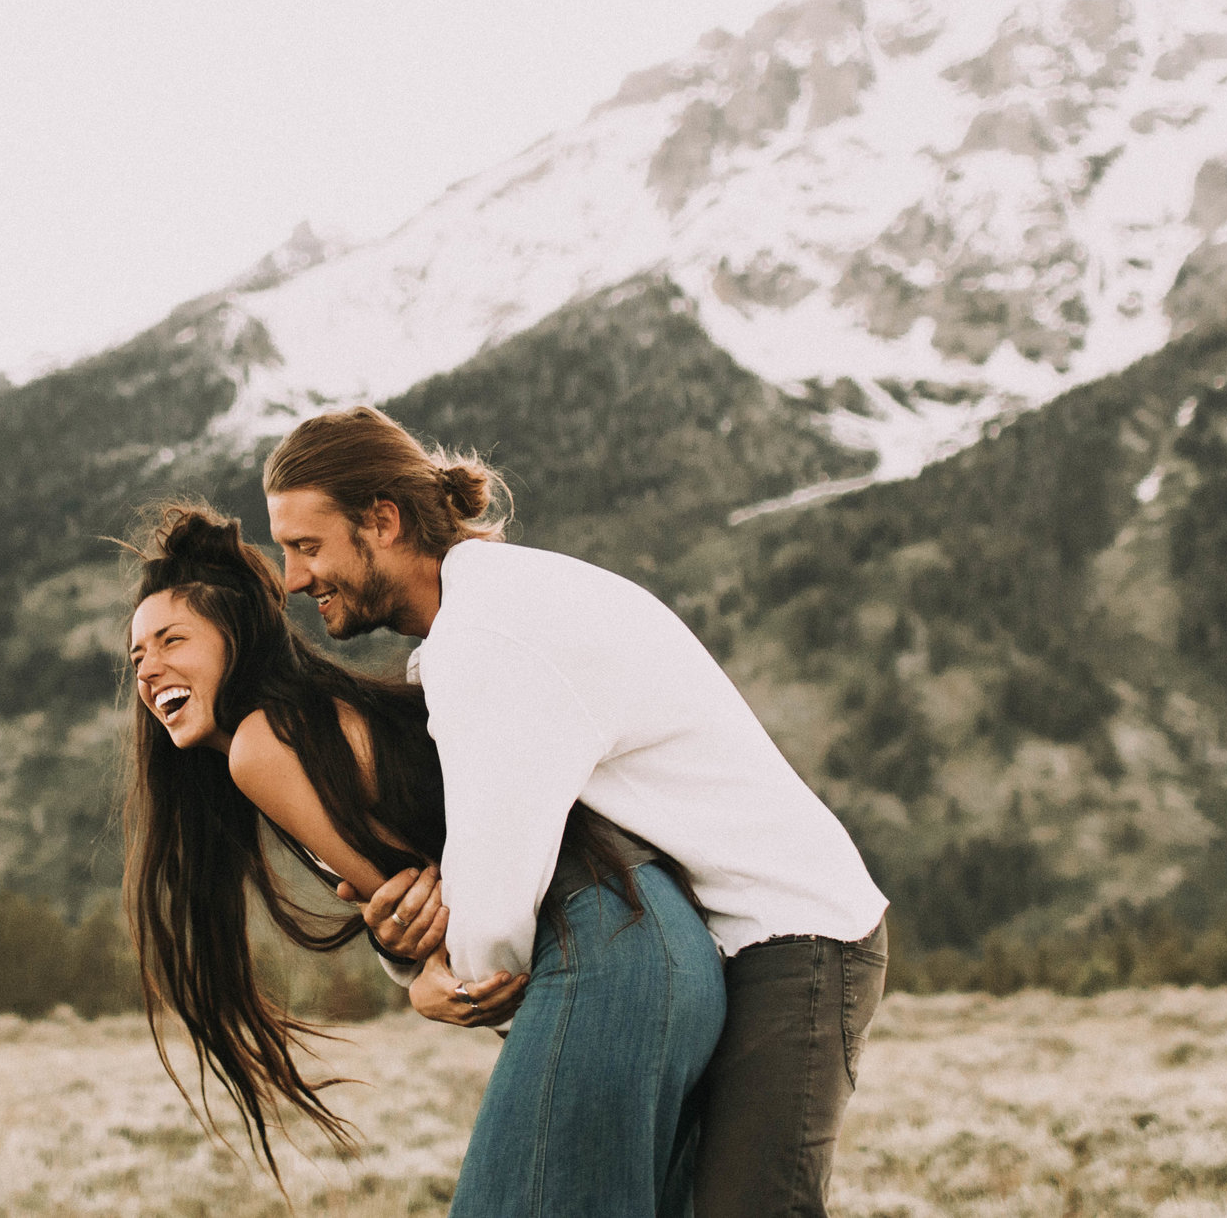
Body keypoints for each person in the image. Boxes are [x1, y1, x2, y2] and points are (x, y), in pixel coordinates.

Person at [264, 406, 890, 1218]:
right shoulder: (490, 612)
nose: (292, 577)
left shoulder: (489, 635)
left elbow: (494, 885)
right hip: (726, 941)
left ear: (381, 521)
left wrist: (443, 982)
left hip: (797, 936)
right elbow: (452, 842)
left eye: (307, 546)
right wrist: (409, 943)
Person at [122, 501, 723, 1212]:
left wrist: (426, 982)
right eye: (137, 654)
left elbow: (435, 921)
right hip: (660, 941)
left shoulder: (263, 744)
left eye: (170, 640)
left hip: (604, 941)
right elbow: (418, 899)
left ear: (236, 636)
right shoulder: (311, 725)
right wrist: (412, 955)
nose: (150, 667)